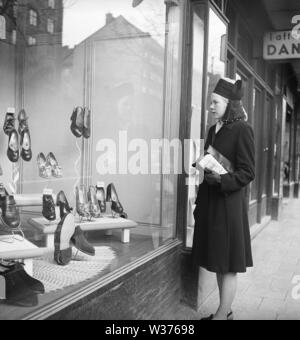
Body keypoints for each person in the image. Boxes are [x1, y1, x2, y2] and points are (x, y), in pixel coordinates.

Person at [192, 77, 255, 321]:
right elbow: (214, 161)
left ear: (229, 104)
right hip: (212, 203)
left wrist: (223, 181)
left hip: (228, 207)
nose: (211, 106)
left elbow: (248, 171)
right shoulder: (213, 129)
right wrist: (204, 166)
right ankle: (224, 311)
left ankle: (221, 315)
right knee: (219, 260)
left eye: (215, 102)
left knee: (227, 263)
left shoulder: (243, 130)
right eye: (210, 102)